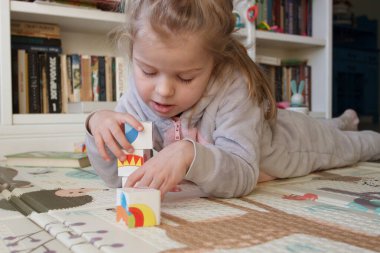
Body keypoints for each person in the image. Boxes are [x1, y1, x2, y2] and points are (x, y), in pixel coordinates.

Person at [85, 0, 380, 198]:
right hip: (268, 124)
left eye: (185, 78)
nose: (162, 91)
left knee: (348, 145)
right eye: (148, 71)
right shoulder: (137, 98)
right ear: (133, 53)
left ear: (216, 62)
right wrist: (97, 126)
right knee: (330, 125)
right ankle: (343, 120)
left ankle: (352, 126)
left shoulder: (233, 87)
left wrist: (190, 154)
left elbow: (242, 173)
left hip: (290, 142)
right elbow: (123, 179)